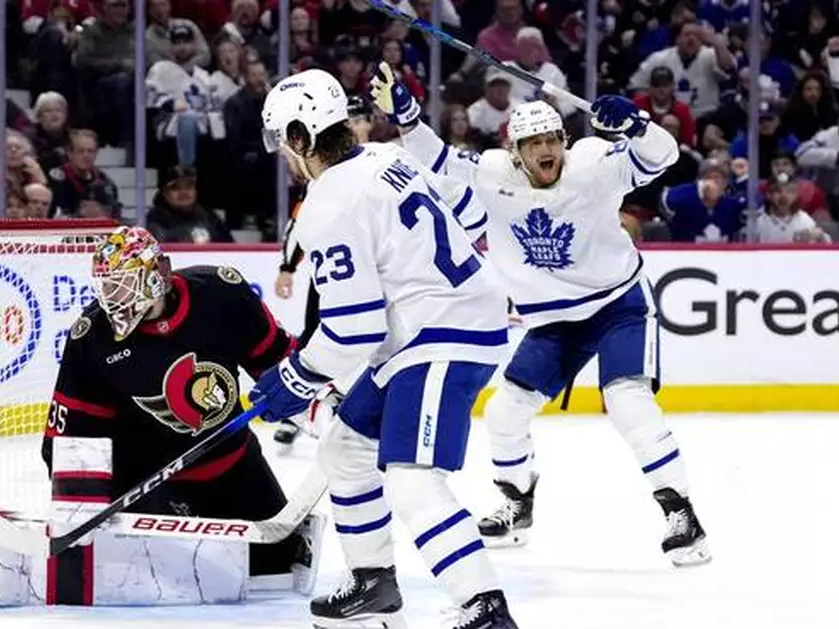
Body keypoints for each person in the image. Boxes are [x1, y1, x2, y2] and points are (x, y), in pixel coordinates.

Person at [373, 62, 712, 568]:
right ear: (516, 152)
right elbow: (436, 158)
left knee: (627, 401)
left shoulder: (594, 163)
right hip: (553, 320)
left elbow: (663, 157)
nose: (546, 150)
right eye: (534, 144)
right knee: (505, 411)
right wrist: (406, 116)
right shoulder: (492, 175)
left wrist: (638, 124)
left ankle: (681, 512)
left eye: (552, 138)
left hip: (617, 304)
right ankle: (517, 503)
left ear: (564, 140)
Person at [251, 69, 517, 629]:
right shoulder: (383, 155)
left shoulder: (327, 203)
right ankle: (373, 581)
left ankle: (486, 609)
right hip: (440, 323)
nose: (285, 156)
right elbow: (468, 211)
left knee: (411, 476)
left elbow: (353, 328)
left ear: (300, 137)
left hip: (442, 332)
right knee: (345, 451)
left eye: (284, 142)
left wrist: (296, 377)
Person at [0, 225, 324, 608]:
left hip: (234, 465)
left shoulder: (222, 295)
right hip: (151, 483)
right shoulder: (93, 339)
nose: (114, 299)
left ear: (160, 273)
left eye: (125, 285)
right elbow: (66, 442)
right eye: (108, 287)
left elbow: (280, 362)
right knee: (178, 582)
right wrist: (82, 512)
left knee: (277, 568)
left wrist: (319, 402)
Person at [270, 95, 373, 451]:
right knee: (317, 336)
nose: (358, 126)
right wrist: (287, 266)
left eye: (362, 119)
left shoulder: (375, 161)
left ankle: (339, 404)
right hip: (331, 269)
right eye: (353, 120)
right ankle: (301, 410)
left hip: (369, 270)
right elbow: (299, 225)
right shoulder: (322, 179)